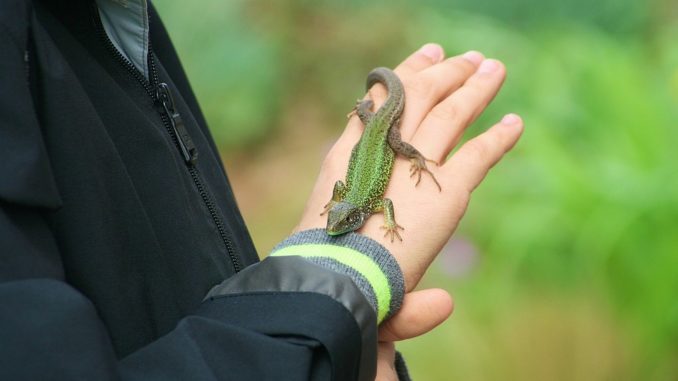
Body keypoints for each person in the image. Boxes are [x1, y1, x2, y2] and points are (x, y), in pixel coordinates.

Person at [0, 0, 523, 380]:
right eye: (339, 219)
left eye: (340, 219)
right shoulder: (354, 206)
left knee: (407, 151)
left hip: (381, 136)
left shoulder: (114, 23)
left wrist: (322, 347)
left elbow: (367, 185)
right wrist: (313, 352)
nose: (340, 221)